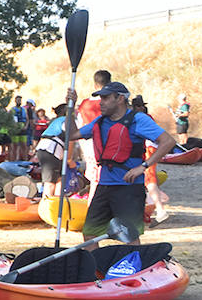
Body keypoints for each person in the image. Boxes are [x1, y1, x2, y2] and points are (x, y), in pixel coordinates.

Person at [64, 81, 175, 245]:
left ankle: (133, 262)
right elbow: (71, 134)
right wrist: (70, 108)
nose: (101, 102)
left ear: (120, 99)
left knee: (129, 236)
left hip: (129, 188)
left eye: (106, 98)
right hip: (104, 185)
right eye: (101, 98)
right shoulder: (100, 122)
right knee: (89, 233)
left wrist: (143, 166)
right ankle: (96, 262)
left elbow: (168, 141)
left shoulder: (138, 120)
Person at [77, 69, 111, 199]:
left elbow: (80, 126)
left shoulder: (84, 104)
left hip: (89, 146)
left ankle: (93, 204)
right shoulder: (111, 102)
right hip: (106, 145)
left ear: (95, 85)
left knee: (95, 180)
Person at [9, 95, 28, 160]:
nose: (19, 101)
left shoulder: (24, 109)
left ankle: (25, 159)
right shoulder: (12, 110)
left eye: (20, 100)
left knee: (24, 145)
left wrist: (26, 126)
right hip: (15, 130)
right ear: (15, 101)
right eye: (18, 100)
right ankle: (14, 159)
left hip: (23, 129)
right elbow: (10, 119)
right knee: (15, 146)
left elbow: (27, 119)